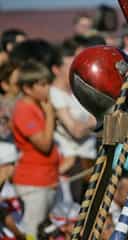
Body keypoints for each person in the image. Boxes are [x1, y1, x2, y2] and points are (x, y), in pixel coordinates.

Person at [11, 61, 60, 238]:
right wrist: (50, 115)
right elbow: (45, 145)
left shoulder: (39, 105)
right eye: (42, 85)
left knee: (44, 230)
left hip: (47, 178)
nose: (48, 89)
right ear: (27, 88)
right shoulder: (24, 110)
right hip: (33, 182)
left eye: (48, 83)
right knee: (32, 230)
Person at [49, 40, 97, 203]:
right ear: (56, 69)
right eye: (70, 67)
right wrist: (94, 120)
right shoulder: (54, 94)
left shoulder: (77, 91)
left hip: (90, 158)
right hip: (73, 164)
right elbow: (75, 130)